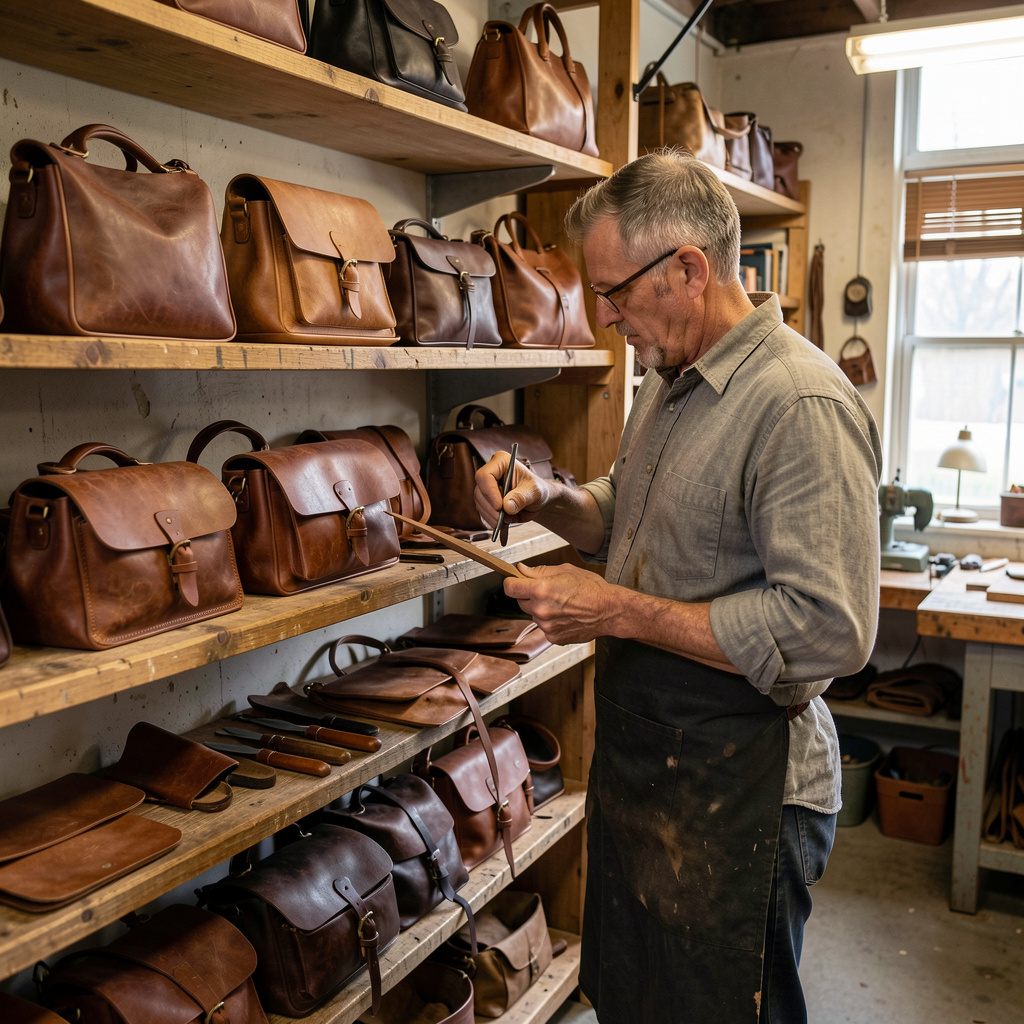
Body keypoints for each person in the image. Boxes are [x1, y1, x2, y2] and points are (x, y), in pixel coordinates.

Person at [473, 149, 882, 1024]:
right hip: (659, 768)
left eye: (615, 293)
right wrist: (552, 497)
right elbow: (634, 508)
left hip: (748, 796)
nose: (608, 315)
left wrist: (615, 608)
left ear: (690, 269)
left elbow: (831, 630)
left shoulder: (799, 404)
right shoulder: (670, 380)